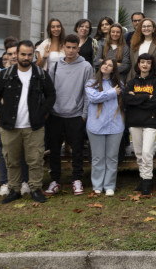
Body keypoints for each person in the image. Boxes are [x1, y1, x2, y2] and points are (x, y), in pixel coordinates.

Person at [0, 40, 56, 204]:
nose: (26, 57)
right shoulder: (6, 74)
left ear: (33, 55)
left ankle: (35, 189)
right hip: (10, 127)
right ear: (16, 55)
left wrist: (42, 113)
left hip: (33, 126)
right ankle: (14, 190)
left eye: (29, 54)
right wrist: (1, 114)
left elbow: (51, 95)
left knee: (35, 160)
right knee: (12, 161)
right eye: (23, 54)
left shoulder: (40, 74)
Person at [44, 34, 94, 196]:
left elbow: (88, 92)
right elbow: (49, 91)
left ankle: (77, 179)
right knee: (55, 150)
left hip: (76, 115)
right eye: (68, 47)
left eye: (74, 48)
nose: (71, 50)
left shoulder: (86, 67)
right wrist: (48, 111)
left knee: (77, 149)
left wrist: (84, 114)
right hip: (56, 115)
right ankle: (55, 180)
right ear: (63, 48)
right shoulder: (56, 66)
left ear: (78, 48)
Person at [0, 42, 30, 197]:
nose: (14, 56)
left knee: (23, 154)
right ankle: (5, 182)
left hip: (24, 120)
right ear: (6, 56)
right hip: (5, 122)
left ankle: (24, 181)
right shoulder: (1, 74)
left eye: (16, 53)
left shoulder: (29, 72)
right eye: (11, 53)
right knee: (4, 154)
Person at [123, 52, 156, 196]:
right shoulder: (132, 82)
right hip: (134, 122)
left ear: (152, 65)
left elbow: (155, 103)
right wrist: (146, 96)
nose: (145, 65)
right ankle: (143, 179)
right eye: (142, 62)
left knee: (147, 152)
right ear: (138, 64)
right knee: (139, 154)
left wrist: (137, 98)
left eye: (148, 62)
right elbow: (127, 100)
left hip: (151, 122)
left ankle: (147, 181)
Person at [85, 58, 125, 196]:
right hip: (96, 126)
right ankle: (97, 184)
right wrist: (112, 93)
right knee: (98, 157)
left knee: (112, 157)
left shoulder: (119, 84)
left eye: (110, 65)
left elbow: (124, 99)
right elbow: (94, 98)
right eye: (104, 64)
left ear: (113, 69)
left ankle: (109, 185)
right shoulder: (91, 82)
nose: (106, 67)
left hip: (115, 126)